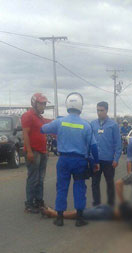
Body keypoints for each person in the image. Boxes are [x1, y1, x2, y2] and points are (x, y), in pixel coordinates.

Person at [41, 92, 99, 227]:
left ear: (67, 105)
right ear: (81, 106)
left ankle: (59, 218)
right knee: (79, 188)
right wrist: (96, 162)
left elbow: (43, 129)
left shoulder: (60, 122)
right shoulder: (86, 125)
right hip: (80, 161)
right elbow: (94, 146)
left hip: (64, 160)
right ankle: (79, 219)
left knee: (62, 188)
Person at [21, 92, 49, 214]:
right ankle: (29, 203)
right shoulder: (28, 116)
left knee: (41, 178)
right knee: (33, 178)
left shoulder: (40, 118)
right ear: (34, 103)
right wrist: (29, 151)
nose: (43, 106)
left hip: (43, 152)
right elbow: (25, 134)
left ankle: (39, 201)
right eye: (41, 103)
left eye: (44, 104)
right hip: (34, 151)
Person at [90, 101, 121, 206]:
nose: (99, 113)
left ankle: (111, 205)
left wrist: (116, 159)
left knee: (109, 183)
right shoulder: (92, 124)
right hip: (96, 160)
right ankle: (96, 204)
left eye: (101, 110)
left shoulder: (113, 125)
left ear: (107, 110)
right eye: (98, 110)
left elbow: (118, 143)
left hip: (109, 160)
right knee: (95, 183)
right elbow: (89, 141)